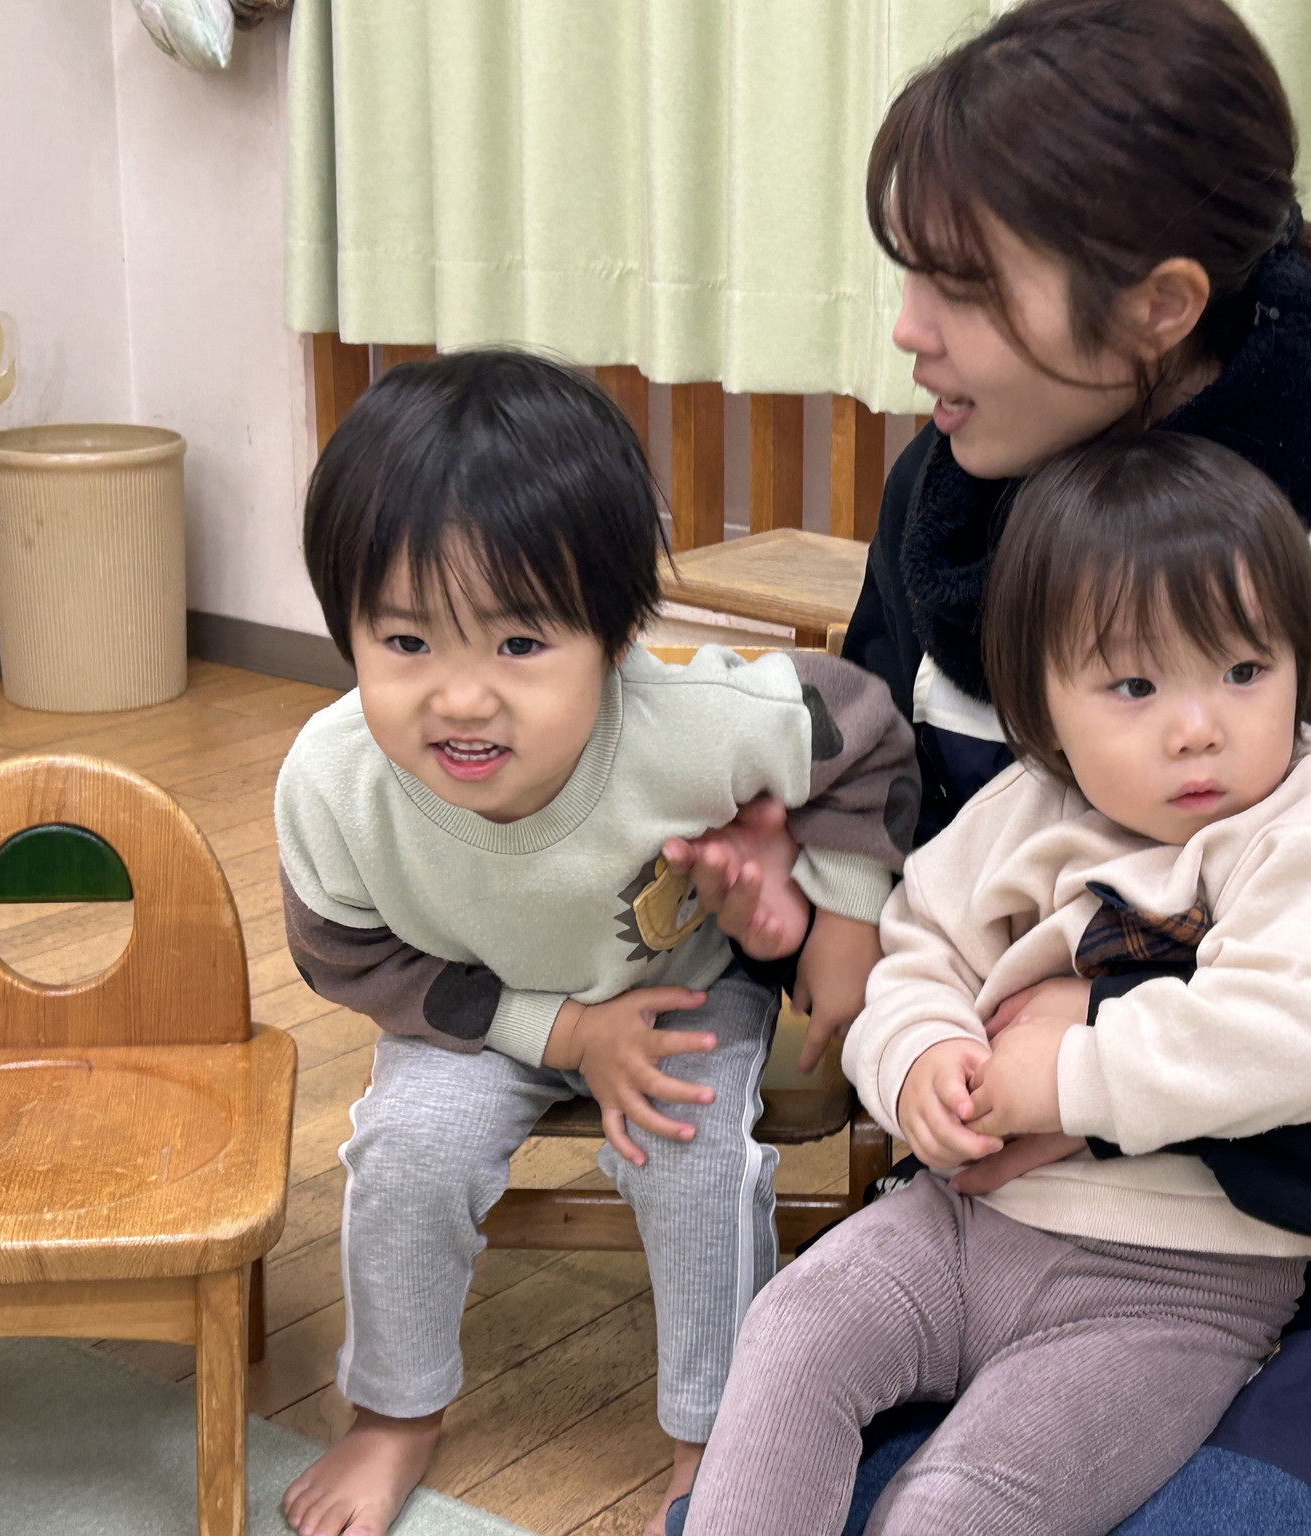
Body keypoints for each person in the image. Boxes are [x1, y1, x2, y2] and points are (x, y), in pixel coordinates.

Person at [671, 1, 1311, 1531]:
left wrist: (1108, 1064)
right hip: (1025, 1208)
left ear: (1159, 305)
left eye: (963, 287)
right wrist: (806, 916)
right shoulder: (954, 502)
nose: (908, 330)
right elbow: (904, 894)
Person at [684, 434, 1311, 1536]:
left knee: (955, 1510)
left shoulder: (1307, 845)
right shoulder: (1023, 811)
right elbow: (915, 951)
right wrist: (919, 1060)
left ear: (1298, 667)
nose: (1197, 729)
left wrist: (1066, 1077)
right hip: (956, 1225)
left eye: (1243, 672)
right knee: (793, 1329)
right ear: (1046, 705)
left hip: (1171, 1289)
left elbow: (1305, 1028)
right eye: (1134, 685)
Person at [271, 349, 919, 1536]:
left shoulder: (696, 725)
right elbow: (346, 956)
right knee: (406, 1152)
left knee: (695, 1163)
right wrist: (562, 1032)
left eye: (519, 645)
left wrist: (843, 915)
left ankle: (712, 1435)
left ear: (615, 635)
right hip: (475, 1010)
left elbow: (864, 733)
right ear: (344, 628)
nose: (461, 698)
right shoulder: (332, 781)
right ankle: (392, 1412)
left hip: (677, 992)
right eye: (406, 643)